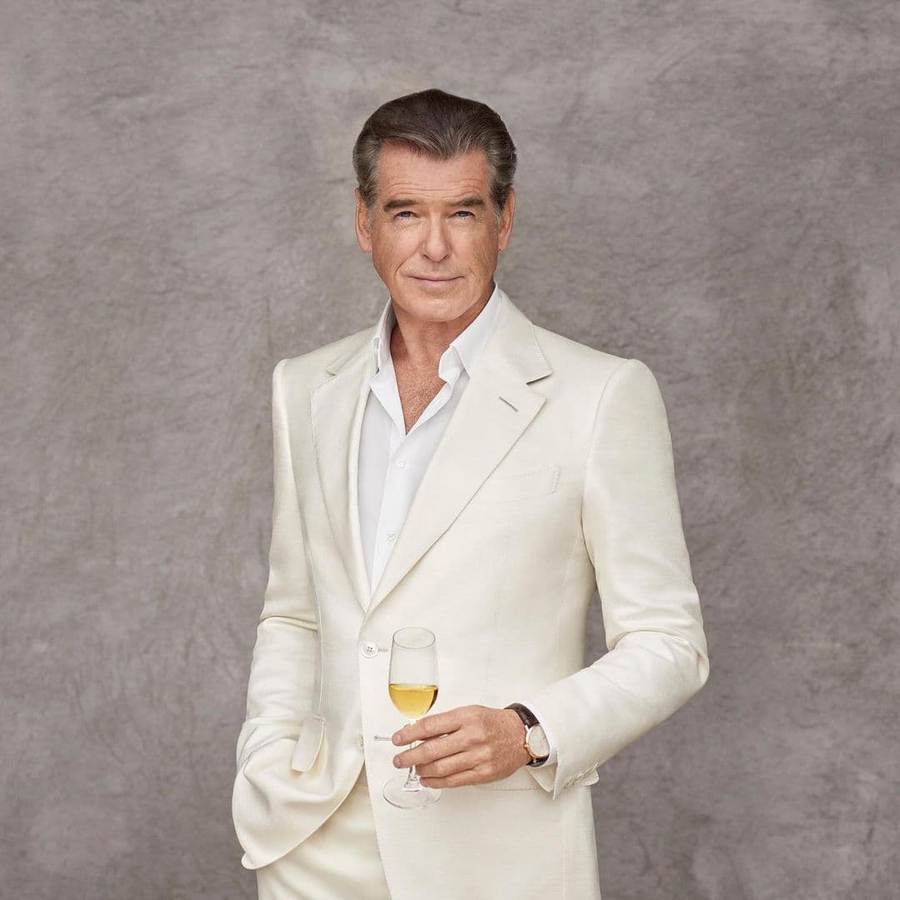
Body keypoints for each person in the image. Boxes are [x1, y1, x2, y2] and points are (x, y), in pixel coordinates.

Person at [232, 87, 710, 900]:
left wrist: (530, 731)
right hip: (315, 844)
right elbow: (295, 613)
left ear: (504, 220)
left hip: (497, 852)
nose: (435, 248)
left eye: (461, 213)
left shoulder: (600, 396)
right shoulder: (305, 388)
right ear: (365, 223)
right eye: (406, 213)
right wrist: (268, 758)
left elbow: (669, 643)